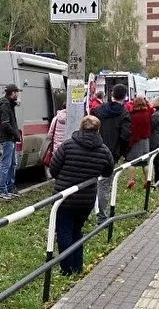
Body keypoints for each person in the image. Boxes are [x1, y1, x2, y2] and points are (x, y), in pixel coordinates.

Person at [49, 116, 114, 275]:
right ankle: (77, 266)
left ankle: (66, 269)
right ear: (98, 129)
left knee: (64, 231)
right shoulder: (104, 150)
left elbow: (53, 169)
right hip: (86, 199)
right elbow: (108, 171)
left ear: (81, 127)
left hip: (64, 197)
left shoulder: (67, 145)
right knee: (77, 230)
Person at [93, 84, 131, 225]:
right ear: (125, 96)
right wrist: (121, 151)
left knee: (90, 182)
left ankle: (89, 213)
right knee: (104, 184)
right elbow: (125, 136)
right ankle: (102, 216)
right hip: (111, 153)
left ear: (112, 94)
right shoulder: (124, 114)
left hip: (95, 149)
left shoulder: (98, 110)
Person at [0, 84, 22, 200]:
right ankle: (2, 190)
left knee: (13, 163)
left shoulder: (9, 104)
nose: (18, 95)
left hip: (11, 139)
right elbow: (5, 124)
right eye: (17, 92)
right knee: (6, 164)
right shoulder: (5, 105)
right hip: (8, 139)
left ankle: (10, 188)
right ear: (12, 93)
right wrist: (16, 134)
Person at [126, 96, 152, 189]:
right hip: (146, 141)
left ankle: (131, 180)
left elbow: (132, 130)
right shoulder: (148, 114)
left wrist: (130, 142)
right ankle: (147, 180)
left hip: (136, 140)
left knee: (132, 162)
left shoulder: (133, 116)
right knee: (145, 162)